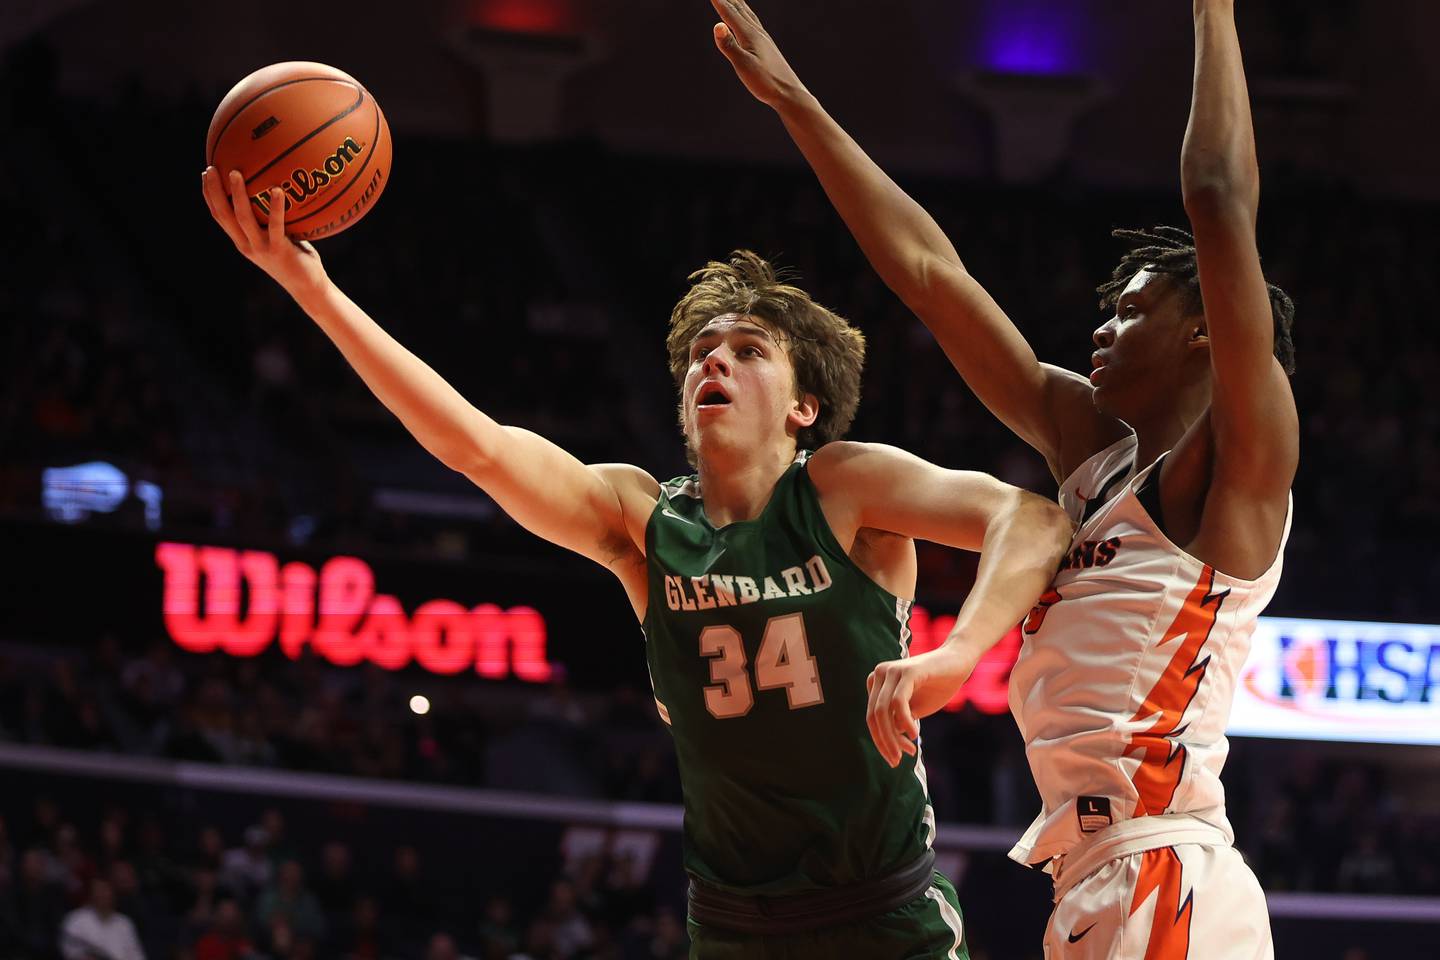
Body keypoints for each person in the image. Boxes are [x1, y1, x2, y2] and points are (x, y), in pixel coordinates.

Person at [201, 154, 1073, 957]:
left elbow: (1030, 517)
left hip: (884, 915)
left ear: (805, 406)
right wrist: (310, 290)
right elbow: (478, 448)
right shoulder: (642, 522)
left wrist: (959, 654)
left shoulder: (843, 490)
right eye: (700, 354)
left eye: (746, 351)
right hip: (734, 925)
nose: (712, 365)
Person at [710, 0, 1295, 955]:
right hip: (1096, 878)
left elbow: (1221, 199)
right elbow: (930, 276)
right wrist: (791, 99)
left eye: (1132, 311)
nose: (1101, 328)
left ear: (1202, 332)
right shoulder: (1093, 458)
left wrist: (1215, 13)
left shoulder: (1234, 472)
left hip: (1166, 872)